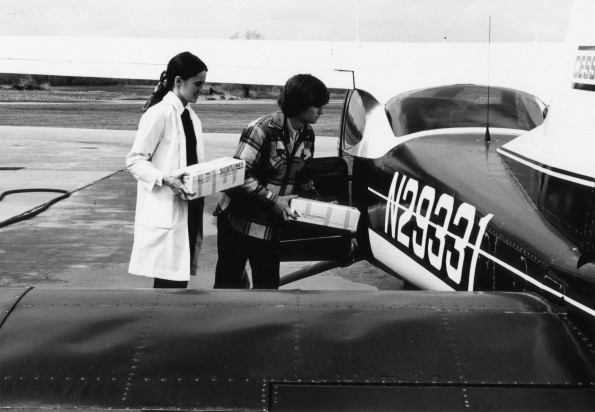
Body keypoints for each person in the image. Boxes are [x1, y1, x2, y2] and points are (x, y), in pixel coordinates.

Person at [214, 74, 329, 289]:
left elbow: (302, 176)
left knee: (267, 289)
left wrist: (319, 205)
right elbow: (239, 176)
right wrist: (273, 200)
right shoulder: (261, 130)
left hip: (269, 226)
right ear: (301, 103)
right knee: (226, 287)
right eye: (317, 105)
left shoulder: (307, 134)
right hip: (238, 221)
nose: (321, 111)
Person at [126, 51, 208, 289]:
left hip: (188, 207)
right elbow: (135, 160)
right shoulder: (158, 114)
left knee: (177, 281)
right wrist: (165, 179)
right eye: (198, 83)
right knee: (167, 286)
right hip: (167, 207)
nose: (201, 89)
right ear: (178, 82)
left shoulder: (191, 117)